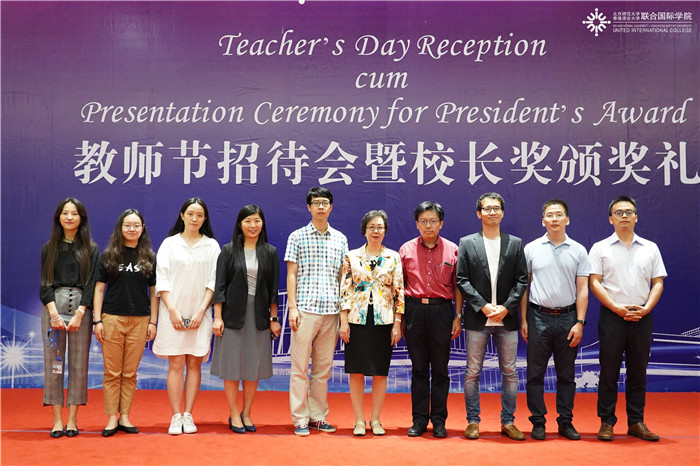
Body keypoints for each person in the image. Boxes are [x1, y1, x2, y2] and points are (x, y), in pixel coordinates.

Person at [589, 196, 666, 442]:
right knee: (608, 371)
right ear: (610, 219)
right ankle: (606, 422)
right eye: (619, 212)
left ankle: (636, 422)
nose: (624, 216)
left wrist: (646, 308)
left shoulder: (650, 248)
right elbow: (594, 282)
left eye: (629, 212)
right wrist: (615, 307)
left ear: (636, 217)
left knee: (638, 371)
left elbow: (657, 282)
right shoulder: (600, 248)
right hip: (612, 316)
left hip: (642, 316)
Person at [456, 192, 528, 441]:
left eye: (496, 208)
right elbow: (461, 279)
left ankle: (508, 422)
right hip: (479, 318)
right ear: (479, 213)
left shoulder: (515, 243)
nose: (492, 212)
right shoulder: (467, 243)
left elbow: (522, 280)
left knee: (510, 372)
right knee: (472, 372)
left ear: (502, 213)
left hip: (507, 319)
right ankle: (472, 421)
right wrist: (483, 306)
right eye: (487, 209)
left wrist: (506, 307)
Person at [519, 199, 589, 441]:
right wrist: (524, 320)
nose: (555, 219)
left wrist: (580, 322)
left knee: (566, 375)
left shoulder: (578, 250)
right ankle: (538, 421)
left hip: (569, 318)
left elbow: (583, 289)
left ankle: (565, 421)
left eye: (559, 214)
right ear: (543, 221)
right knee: (535, 374)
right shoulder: (531, 249)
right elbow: (524, 287)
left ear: (567, 220)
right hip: (538, 317)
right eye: (550, 215)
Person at [211, 205, 281, 434]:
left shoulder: (269, 252)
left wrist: (273, 318)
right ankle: (233, 413)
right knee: (231, 367)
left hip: (258, 316)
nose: (253, 225)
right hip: (232, 316)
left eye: (257, 220)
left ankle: (247, 413)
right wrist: (217, 317)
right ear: (240, 224)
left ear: (262, 223)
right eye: (248, 221)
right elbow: (220, 287)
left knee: (253, 367)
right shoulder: (228, 251)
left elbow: (273, 290)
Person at [153, 198, 220, 435]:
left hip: (201, 314)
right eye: (190, 214)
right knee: (176, 363)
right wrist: (173, 311)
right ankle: (175, 416)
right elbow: (162, 279)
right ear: (182, 215)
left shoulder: (212, 246)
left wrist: (201, 311)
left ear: (205, 218)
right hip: (172, 313)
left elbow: (214, 281)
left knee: (194, 363)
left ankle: (188, 414)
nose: (194, 219)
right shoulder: (169, 244)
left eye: (199, 215)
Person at [285, 187, 348, 436]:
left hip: (331, 311)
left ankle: (318, 417)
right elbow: (291, 274)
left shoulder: (340, 239)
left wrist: (342, 312)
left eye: (325, 203)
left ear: (331, 207)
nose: (320, 207)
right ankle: (300, 418)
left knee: (323, 369)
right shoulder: (297, 236)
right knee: (300, 368)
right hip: (305, 310)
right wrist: (292, 308)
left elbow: (343, 277)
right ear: (308, 207)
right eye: (316, 203)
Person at [399, 201, 462, 438]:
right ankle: (418, 420)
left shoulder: (452, 250)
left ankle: (438, 421)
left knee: (441, 369)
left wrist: (457, 316)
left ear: (441, 223)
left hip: (441, 311)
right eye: (423, 221)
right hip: (414, 310)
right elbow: (399, 287)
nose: (428, 225)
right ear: (417, 224)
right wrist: (401, 318)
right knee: (419, 369)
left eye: (433, 221)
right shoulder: (405, 250)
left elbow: (458, 286)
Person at [93, 209, 158, 437]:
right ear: (120, 228)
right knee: (112, 372)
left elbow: (154, 293)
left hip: (140, 320)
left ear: (142, 228)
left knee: (130, 373)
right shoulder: (109, 255)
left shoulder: (149, 257)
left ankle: (125, 416)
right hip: (112, 318)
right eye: (128, 225)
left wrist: (153, 322)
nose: (132, 229)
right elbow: (99, 290)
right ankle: (112, 417)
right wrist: (98, 320)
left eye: (136, 225)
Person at [339, 210, 404, 436]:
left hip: (383, 320)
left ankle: (376, 420)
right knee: (356, 371)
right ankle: (359, 420)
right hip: (356, 319)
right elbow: (345, 290)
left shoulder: (393, 257)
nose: (375, 231)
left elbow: (399, 292)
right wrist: (343, 321)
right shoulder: (351, 256)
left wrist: (397, 323)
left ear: (385, 231)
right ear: (364, 230)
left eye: (380, 227)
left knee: (380, 372)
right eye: (371, 227)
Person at [40, 198, 99, 438]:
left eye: (74, 213)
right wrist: (53, 314)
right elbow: (45, 284)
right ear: (59, 217)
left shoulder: (91, 249)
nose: (70, 217)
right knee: (54, 365)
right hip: (53, 310)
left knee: (78, 365)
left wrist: (80, 313)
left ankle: (72, 420)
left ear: (81, 218)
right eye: (65, 213)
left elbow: (92, 284)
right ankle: (57, 420)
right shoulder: (49, 248)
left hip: (80, 313)